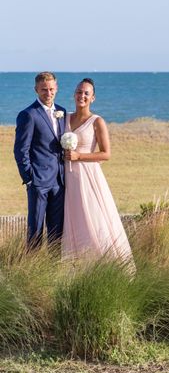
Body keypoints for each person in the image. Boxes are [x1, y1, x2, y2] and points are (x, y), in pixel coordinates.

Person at [61, 78, 134, 266]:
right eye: (79, 92)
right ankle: (75, 266)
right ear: (74, 94)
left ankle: (102, 264)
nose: (82, 96)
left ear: (93, 98)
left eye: (86, 93)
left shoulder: (97, 121)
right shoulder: (64, 118)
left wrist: (79, 156)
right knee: (72, 219)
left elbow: (106, 154)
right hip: (67, 178)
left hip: (88, 177)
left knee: (92, 218)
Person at [14, 72, 66, 249]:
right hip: (38, 182)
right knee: (35, 231)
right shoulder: (28, 115)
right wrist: (29, 178)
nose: (48, 93)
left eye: (51, 89)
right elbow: (21, 150)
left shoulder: (62, 112)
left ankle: (53, 271)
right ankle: (32, 270)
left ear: (56, 89)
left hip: (59, 182)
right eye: (44, 89)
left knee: (56, 232)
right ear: (36, 90)